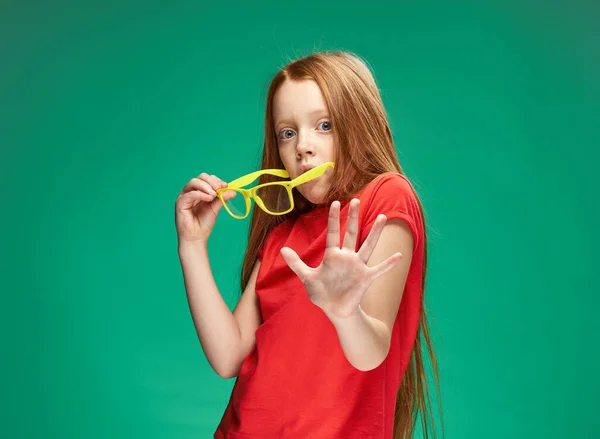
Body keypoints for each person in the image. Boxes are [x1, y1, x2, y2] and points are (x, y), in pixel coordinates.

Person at [175, 51, 443, 439]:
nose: (303, 146)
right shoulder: (282, 235)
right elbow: (227, 355)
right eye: (287, 132)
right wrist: (193, 246)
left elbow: (371, 352)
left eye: (324, 125)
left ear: (358, 123)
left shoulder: (387, 196)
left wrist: (344, 310)